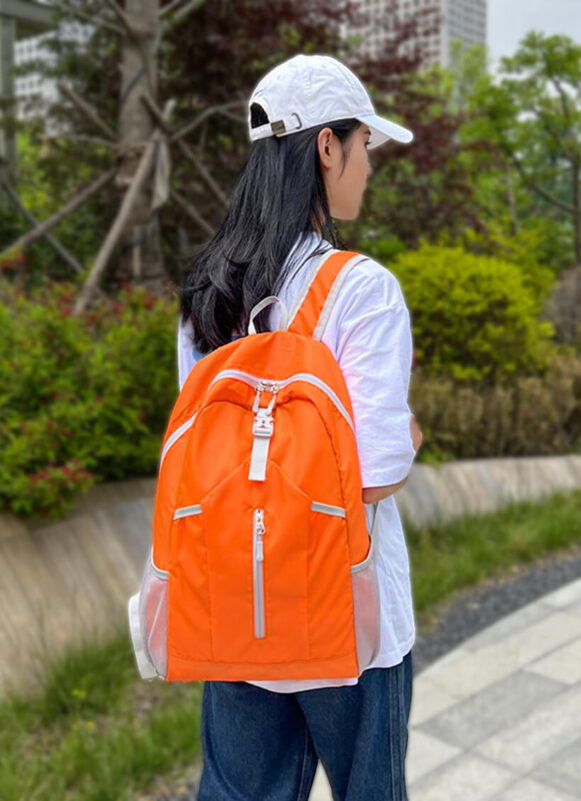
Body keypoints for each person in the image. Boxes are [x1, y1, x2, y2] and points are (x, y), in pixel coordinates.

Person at [177, 53, 424, 801]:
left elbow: (200, 456)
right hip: (347, 622)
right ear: (326, 146)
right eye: (364, 147)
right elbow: (375, 471)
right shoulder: (362, 290)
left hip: (237, 609)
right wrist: (405, 437)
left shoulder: (207, 290)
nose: (368, 167)